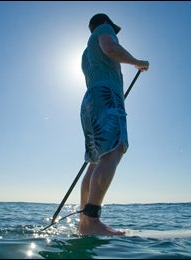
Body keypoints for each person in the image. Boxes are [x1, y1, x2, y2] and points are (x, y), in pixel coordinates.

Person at [78, 13, 149, 236]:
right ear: (105, 24)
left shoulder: (85, 53)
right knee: (114, 150)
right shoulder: (104, 31)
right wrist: (138, 63)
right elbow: (110, 49)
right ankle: (91, 221)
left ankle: (84, 221)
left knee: (95, 161)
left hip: (90, 100)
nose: (113, 32)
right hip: (106, 97)